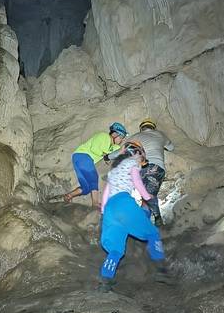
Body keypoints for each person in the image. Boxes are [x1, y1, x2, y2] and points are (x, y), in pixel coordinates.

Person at [99, 140, 165, 281]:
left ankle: (105, 280)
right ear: (136, 153)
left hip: (110, 209)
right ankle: (161, 269)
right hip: (123, 202)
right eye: (141, 156)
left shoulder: (113, 171)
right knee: (153, 233)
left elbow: (106, 193)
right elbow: (138, 183)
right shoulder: (132, 164)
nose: (142, 160)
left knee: (115, 249)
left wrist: (103, 212)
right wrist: (147, 196)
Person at [105, 118, 174, 226]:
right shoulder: (160, 135)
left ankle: (150, 219)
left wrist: (107, 157)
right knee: (147, 196)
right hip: (157, 168)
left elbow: (121, 151)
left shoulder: (136, 136)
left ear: (141, 128)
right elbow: (171, 147)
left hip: (141, 168)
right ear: (153, 128)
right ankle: (153, 219)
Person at [63, 122, 127, 208]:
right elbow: (94, 149)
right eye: (121, 137)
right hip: (82, 155)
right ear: (114, 134)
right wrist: (105, 156)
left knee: (86, 188)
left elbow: (116, 152)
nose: (121, 140)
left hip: (79, 160)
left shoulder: (113, 147)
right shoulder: (104, 136)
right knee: (94, 176)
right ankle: (95, 203)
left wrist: (113, 155)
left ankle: (69, 195)